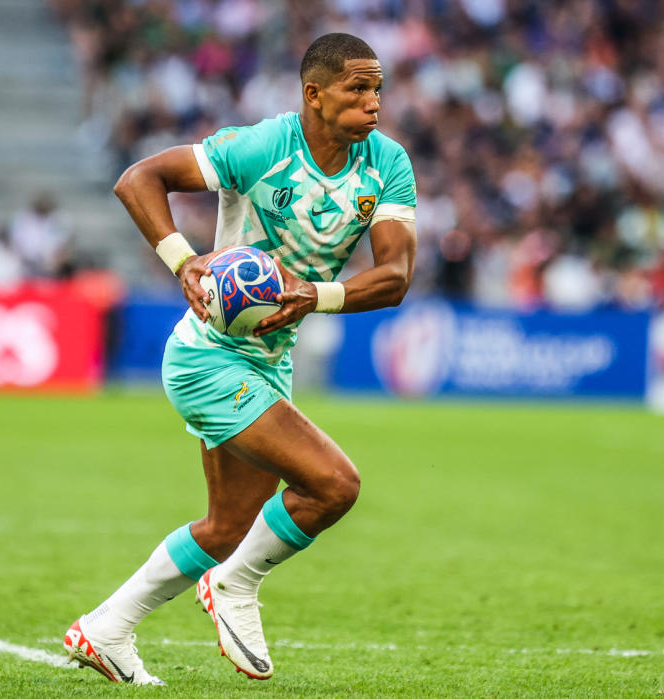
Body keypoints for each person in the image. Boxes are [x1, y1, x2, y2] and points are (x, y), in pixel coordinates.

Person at [64, 33, 417, 684]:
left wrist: (317, 295)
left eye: (378, 89)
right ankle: (236, 585)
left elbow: (395, 275)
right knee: (335, 484)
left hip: (268, 362)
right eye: (358, 89)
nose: (374, 102)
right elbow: (138, 178)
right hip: (209, 355)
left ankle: (106, 628)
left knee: (227, 524)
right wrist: (182, 260)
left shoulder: (387, 164)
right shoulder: (260, 147)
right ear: (314, 93)